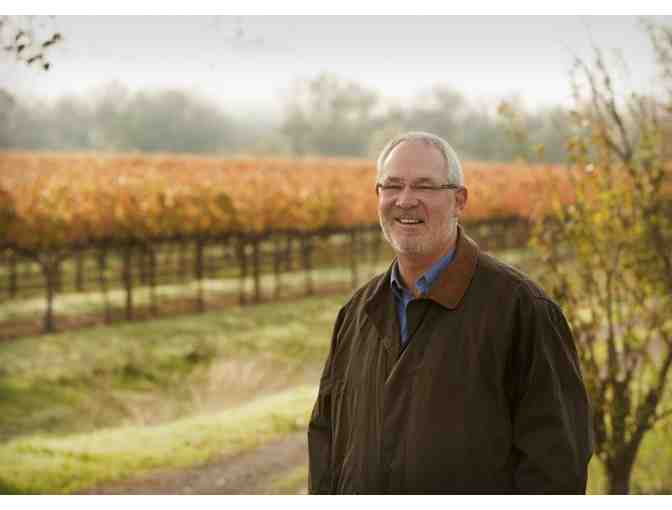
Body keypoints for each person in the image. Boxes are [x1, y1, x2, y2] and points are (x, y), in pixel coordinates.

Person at [307, 131, 593, 494]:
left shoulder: (522, 312)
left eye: (424, 186)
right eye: (392, 185)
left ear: (459, 201)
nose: (405, 200)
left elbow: (556, 468)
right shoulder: (355, 314)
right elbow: (325, 443)